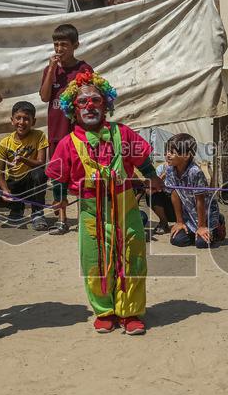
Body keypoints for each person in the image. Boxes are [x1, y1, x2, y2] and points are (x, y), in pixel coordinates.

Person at [46, 70, 164, 335]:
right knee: (95, 260)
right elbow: (59, 175)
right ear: (73, 109)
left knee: (132, 258)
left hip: (126, 205)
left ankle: (130, 312)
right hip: (90, 209)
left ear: (106, 104)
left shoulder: (123, 133)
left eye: (96, 100)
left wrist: (152, 176)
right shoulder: (67, 143)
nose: (90, 106)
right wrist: (60, 198)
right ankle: (105, 311)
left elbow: (142, 159)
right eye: (82, 102)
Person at [39, 24, 93, 235]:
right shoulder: (50, 69)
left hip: (79, 131)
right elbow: (44, 97)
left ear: (75, 45)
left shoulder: (84, 69)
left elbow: (90, 97)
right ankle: (62, 219)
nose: (59, 49)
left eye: (64, 44)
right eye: (56, 44)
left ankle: (84, 217)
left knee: (83, 173)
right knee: (58, 176)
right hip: (57, 130)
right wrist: (52, 70)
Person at [0, 101, 49, 230]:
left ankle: (37, 213)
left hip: (30, 182)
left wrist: (23, 159)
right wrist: (6, 191)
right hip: (13, 183)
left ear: (33, 121)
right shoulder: (5, 143)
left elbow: (41, 163)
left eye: (26, 119)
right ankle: (17, 209)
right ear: (12, 120)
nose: (22, 122)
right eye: (18, 118)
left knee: (39, 173)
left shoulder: (39, 136)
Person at [164, 133, 226, 249]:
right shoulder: (170, 170)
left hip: (205, 214)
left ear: (186, 156)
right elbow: (174, 194)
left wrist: (202, 226)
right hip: (188, 214)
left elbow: (200, 200)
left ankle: (218, 223)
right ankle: (193, 231)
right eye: (167, 151)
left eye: (172, 152)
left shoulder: (195, 172)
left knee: (202, 244)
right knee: (178, 241)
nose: (168, 155)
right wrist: (179, 222)